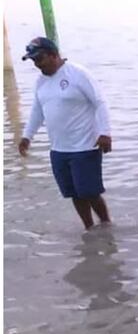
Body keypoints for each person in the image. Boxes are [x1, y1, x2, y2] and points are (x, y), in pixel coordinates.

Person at [17, 36, 112, 229]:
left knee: (89, 191)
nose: (37, 64)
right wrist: (27, 136)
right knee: (74, 193)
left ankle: (106, 224)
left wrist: (105, 133)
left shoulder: (77, 74)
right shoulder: (41, 82)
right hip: (59, 149)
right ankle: (89, 228)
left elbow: (100, 102)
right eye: (34, 61)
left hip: (85, 146)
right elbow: (37, 110)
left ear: (53, 55)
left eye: (40, 59)